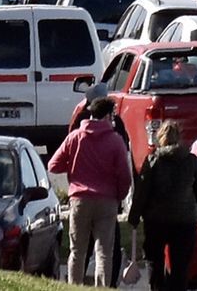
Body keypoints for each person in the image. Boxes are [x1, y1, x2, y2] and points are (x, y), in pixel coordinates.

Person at [48, 97, 133, 287]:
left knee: (77, 250)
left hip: (79, 198)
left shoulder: (75, 137)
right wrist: (119, 196)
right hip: (107, 201)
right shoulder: (115, 141)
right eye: (112, 115)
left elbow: (53, 165)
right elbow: (124, 176)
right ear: (107, 116)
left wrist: (73, 169)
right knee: (104, 252)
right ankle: (101, 287)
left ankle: (73, 286)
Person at [129, 119, 197, 291]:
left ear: (160, 138)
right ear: (179, 138)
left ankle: (157, 288)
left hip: (156, 219)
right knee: (181, 266)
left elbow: (142, 191)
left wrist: (134, 216)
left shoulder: (153, 160)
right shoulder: (191, 161)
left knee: (155, 261)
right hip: (185, 219)